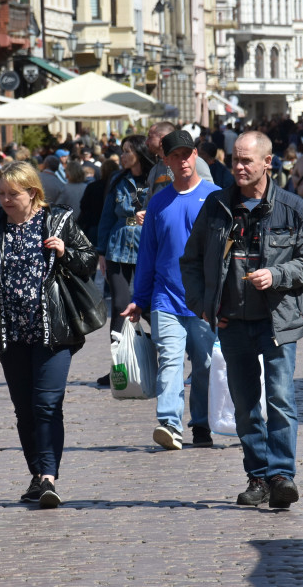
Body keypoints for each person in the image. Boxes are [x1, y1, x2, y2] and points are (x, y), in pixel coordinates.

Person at [180, 130, 303, 508]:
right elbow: (191, 261)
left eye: (246, 160)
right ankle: (257, 476)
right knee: (244, 404)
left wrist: (276, 275)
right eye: (235, 160)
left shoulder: (295, 209)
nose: (239, 167)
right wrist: (205, 308)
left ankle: (282, 476)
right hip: (232, 321)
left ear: (267, 162)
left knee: (279, 399)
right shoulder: (216, 206)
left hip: (278, 320)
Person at [0, 161, 98, 508]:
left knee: (47, 404)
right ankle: (37, 475)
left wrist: (65, 253)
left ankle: (49, 476)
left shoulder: (58, 220)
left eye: (12, 194)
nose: (4, 200)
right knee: (24, 409)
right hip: (11, 332)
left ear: (32, 193)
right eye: (1, 194)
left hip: (53, 330)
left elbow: (88, 262)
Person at [121, 130, 219, 450]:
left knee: (204, 365)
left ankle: (201, 423)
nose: (183, 160)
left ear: (196, 155)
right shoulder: (159, 202)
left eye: (187, 154)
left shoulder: (215, 198)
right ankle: (169, 423)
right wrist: (139, 298)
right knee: (170, 360)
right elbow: (147, 254)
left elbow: (226, 254)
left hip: (203, 299)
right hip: (166, 296)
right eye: (175, 156)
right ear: (166, 161)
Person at [94, 135, 156, 387]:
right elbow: (107, 216)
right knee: (120, 304)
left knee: (151, 306)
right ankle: (118, 368)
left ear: (139, 153)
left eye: (127, 150)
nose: (122, 155)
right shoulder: (117, 179)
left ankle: (170, 356)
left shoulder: (158, 178)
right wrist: (100, 251)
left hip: (147, 246)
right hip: (118, 246)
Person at [146, 122, 214, 197]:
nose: (146, 142)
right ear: (166, 161)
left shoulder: (194, 162)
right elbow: (149, 203)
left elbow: (210, 193)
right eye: (175, 155)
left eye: (150, 137)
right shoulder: (155, 170)